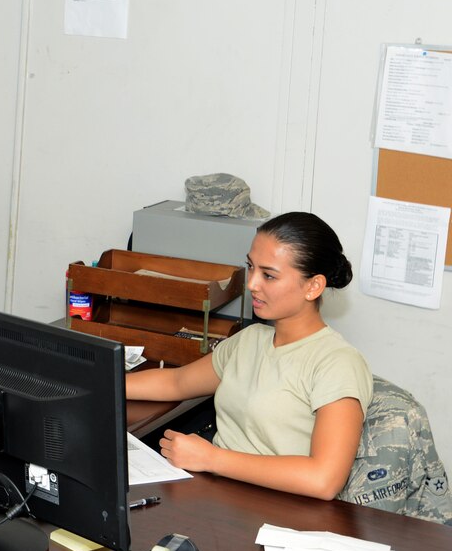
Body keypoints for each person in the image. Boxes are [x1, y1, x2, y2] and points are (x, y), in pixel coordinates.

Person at [126, 212, 373, 500]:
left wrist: (212, 459)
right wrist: (104, 382)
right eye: (250, 267)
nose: (252, 283)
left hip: (280, 511)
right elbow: (177, 382)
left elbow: (324, 479)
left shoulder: (338, 362)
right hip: (218, 495)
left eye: (268, 275)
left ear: (313, 286)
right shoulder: (250, 340)